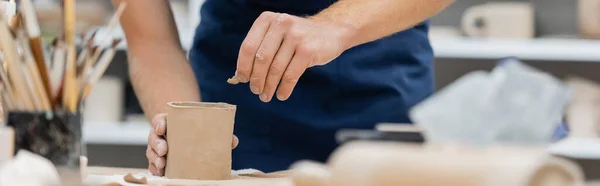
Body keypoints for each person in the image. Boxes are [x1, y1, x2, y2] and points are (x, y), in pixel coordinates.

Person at [115, 0, 454, 175]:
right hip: (239, 119)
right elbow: (151, 41)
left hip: (381, 84)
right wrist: (184, 129)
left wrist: (337, 26)